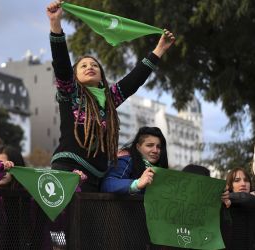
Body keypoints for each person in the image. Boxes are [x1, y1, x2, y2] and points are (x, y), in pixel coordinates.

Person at [46, 1, 175, 192]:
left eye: (94, 65)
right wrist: (55, 25)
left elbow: (133, 80)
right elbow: (62, 64)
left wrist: (159, 50)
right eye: (83, 66)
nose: (90, 67)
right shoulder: (69, 92)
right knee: (64, 223)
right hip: (67, 171)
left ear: (101, 76)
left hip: (96, 179)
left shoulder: (109, 99)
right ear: (74, 77)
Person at [100, 126, 168, 194]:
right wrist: (136, 184)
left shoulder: (160, 170)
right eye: (149, 145)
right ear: (138, 147)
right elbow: (107, 184)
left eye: (159, 147)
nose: (155, 150)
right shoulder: (127, 160)